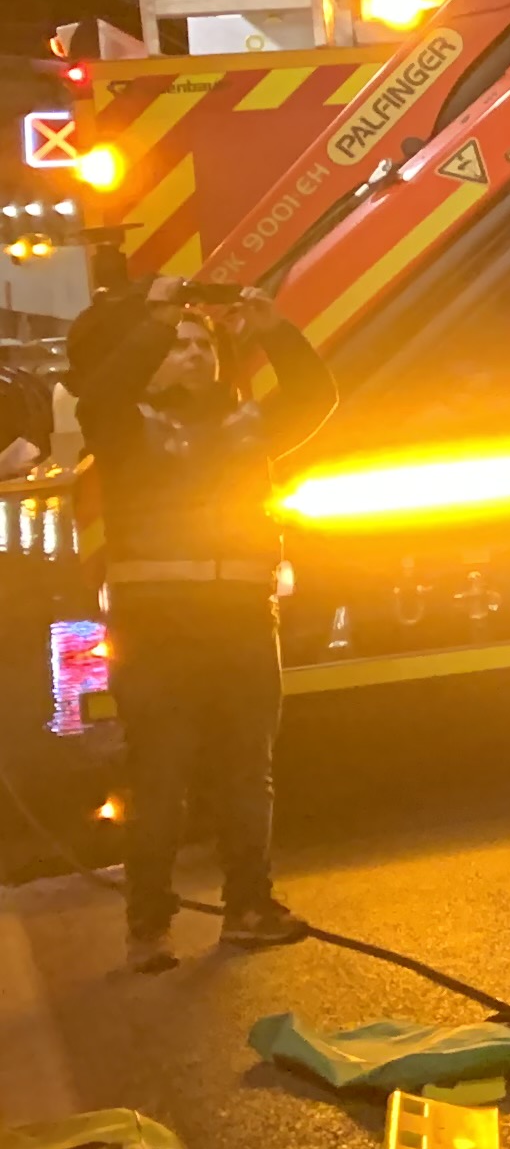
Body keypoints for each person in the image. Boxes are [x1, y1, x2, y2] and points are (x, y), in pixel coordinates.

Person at [66, 279, 335, 970]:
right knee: (161, 775)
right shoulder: (125, 427)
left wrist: (274, 330)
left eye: (201, 344)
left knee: (249, 772)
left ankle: (249, 908)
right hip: (159, 632)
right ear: (154, 358)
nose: (190, 354)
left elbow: (315, 397)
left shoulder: (250, 426)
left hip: (243, 622)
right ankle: (148, 929)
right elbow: (98, 393)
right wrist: (155, 320)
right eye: (177, 346)